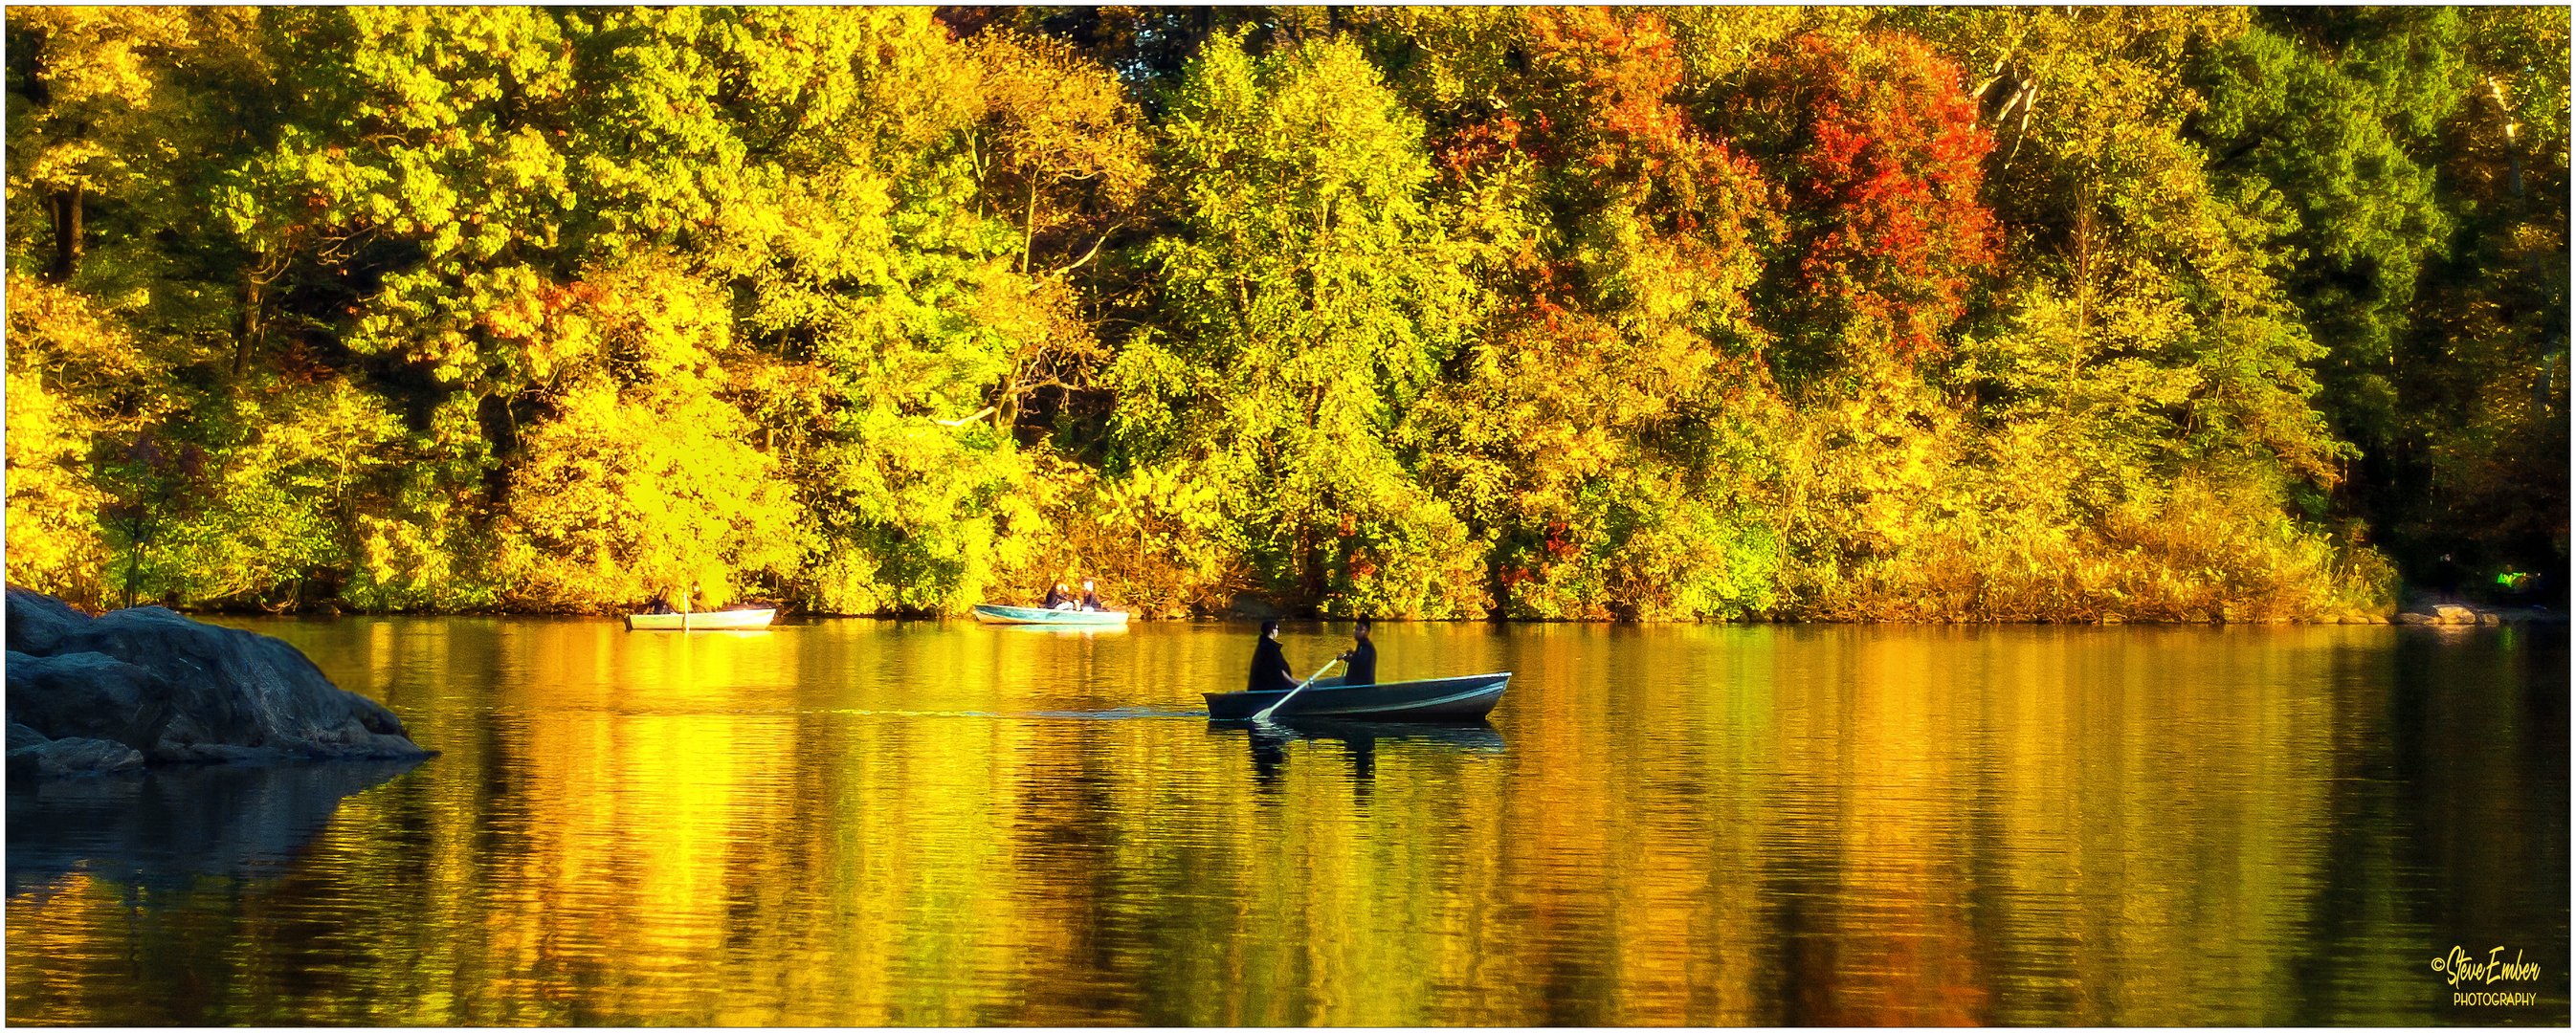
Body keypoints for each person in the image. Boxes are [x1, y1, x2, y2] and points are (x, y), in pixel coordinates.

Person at [1247, 619, 1299, 693]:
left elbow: (1281, 671)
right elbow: (1279, 671)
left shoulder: (1264, 645)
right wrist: (1296, 684)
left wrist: (1297, 681)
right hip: (1269, 688)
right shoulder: (1269, 648)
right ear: (1272, 630)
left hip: (1269, 686)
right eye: (1277, 629)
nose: (1278, 632)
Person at [1338, 618, 1377, 687]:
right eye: (1356, 629)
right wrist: (1352, 653)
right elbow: (1358, 657)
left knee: (1327, 684)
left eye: (1361, 629)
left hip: (1360, 686)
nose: (1357, 631)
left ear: (1367, 632)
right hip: (1353, 682)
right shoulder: (1361, 645)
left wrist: (1344, 657)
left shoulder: (1367, 647)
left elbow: (1359, 662)